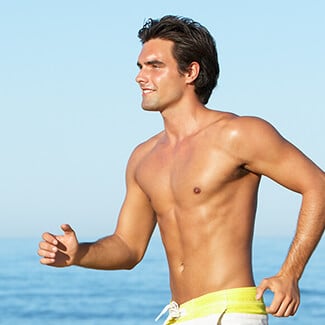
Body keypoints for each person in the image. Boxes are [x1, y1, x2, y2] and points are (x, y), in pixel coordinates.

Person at [38, 15, 325, 325]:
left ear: (191, 72)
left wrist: (290, 274)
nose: (140, 77)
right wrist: (78, 254)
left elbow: (318, 185)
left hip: (231, 313)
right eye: (140, 67)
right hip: (178, 315)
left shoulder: (238, 134)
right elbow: (128, 247)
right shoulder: (143, 158)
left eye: (154, 66)